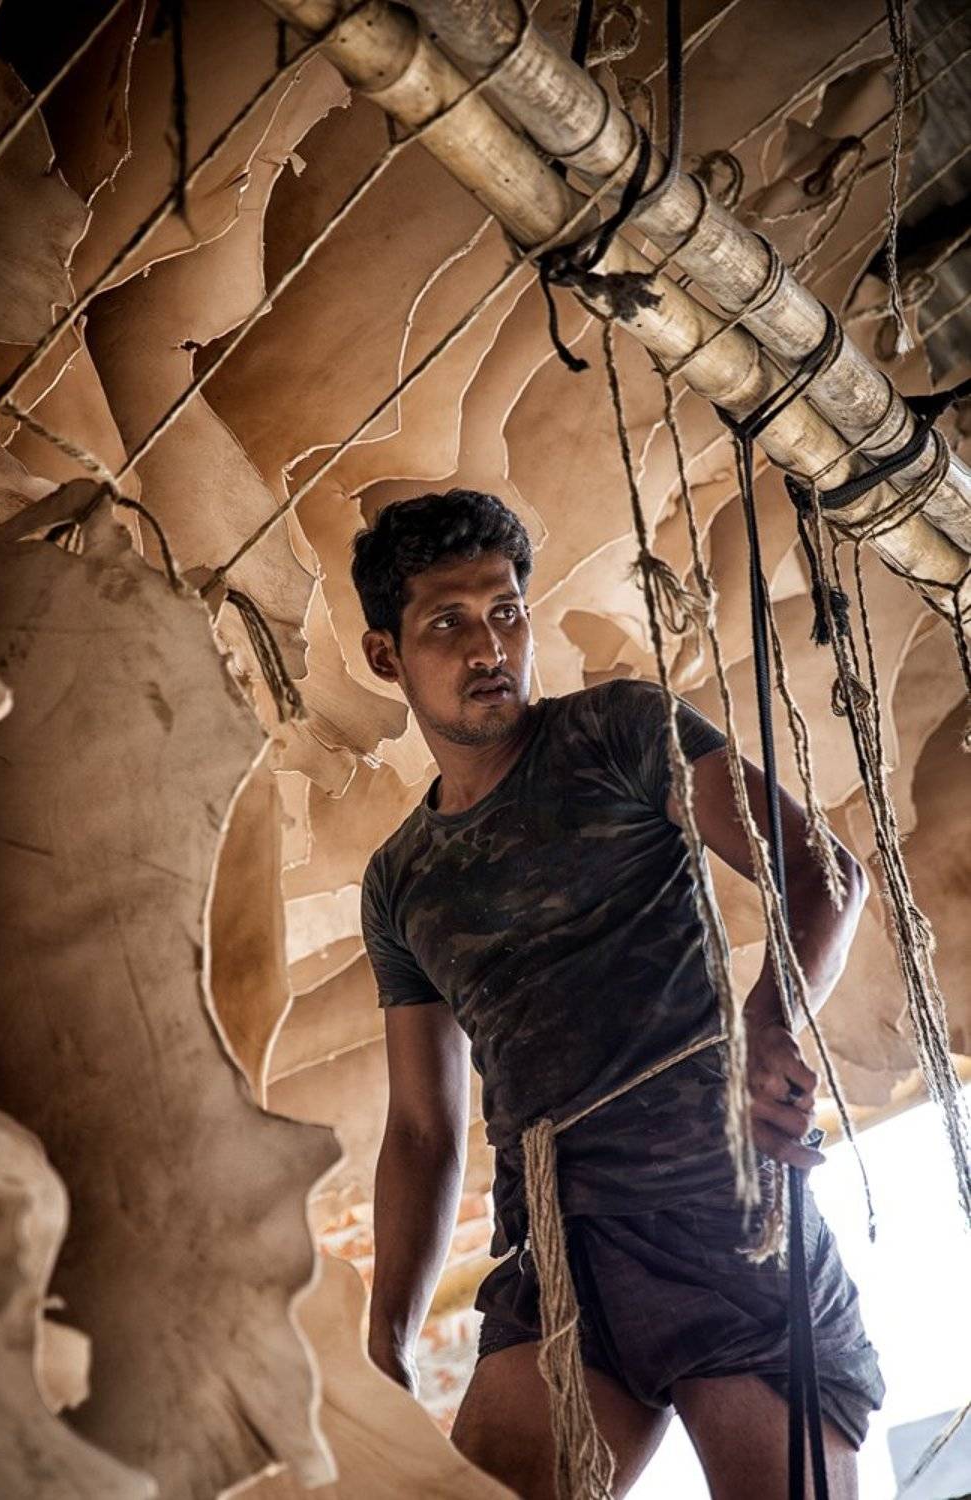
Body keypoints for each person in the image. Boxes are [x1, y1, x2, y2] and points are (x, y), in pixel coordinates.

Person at [350, 488, 883, 1500]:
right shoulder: (400, 881)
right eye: (448, 623)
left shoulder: (620, 731)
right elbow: (422, 1131)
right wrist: (386, 1340)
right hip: (555, 1247)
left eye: (506, 612)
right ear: (387, 655)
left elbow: (823, 874)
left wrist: (768, 1024)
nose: (489, 647)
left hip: (718, 1207)